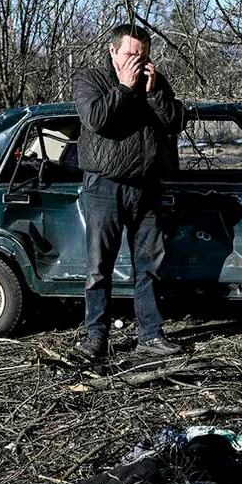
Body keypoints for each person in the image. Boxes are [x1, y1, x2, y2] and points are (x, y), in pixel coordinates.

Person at [72, 23, 183, 360]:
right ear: (112, 51)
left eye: (143, 55)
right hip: (104, 186)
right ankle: (96, 337)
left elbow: (176, 122)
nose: (137, 60)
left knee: (149, 263)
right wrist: (123, 87)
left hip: (146, 186)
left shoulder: (155, 81)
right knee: (98, 265)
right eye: (130, 53)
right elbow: (97, 120)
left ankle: (150, 335)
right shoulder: (92, 80)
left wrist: (153, 93)